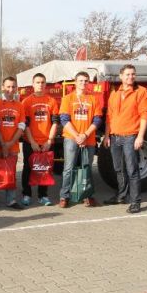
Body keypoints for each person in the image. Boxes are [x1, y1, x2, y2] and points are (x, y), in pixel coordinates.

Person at [103, 64, 147, 213]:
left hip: (131, 136)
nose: (130, 77)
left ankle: (135, 201)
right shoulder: (115, 93)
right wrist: (107, 135)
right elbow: (109, 117)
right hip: (114, 137)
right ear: (121, 76)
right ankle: (121, 195)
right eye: (127, 74)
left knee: (132, 170)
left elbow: (145, 115)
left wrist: (140, 136)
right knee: (118, 169)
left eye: (133, 74)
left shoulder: (141, 92)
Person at [58, 71, 103, 208]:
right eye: (81, 80)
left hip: (88, 139)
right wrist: (77, 136)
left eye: (86, 81)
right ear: (75, 82)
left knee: (86, 168)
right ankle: (64, 196)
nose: (83, 83)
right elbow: (64, 119)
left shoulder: (93, 99)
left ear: (89, 83)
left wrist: (85, 135)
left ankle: (86, 195)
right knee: (69, 168)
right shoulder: (68, 98)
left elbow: (97, 119)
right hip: (72, 138)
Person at [21, 73, 59, 206]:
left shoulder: (51, 101)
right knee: (28, 168)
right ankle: (26, 194)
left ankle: (43, 195)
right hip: (30, 142)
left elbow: (55, 122)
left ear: (46, 84)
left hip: (47, 143)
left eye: (43, 82)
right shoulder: (26, 102)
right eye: (37, 82)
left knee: (45, 169)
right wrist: (32, 142)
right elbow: (25, 125)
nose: (40, 85)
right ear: (33, 84)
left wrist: (49, 140)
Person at [0, 76, 26, 211]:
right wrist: (3, 145)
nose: (11, 89)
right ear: (2, 87)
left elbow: (21, 127)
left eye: (13, 87)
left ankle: (11, 200)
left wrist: (9, 144)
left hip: (13, 146)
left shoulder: (20, 106)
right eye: (8, 87)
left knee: (11, 174)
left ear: (16, 88)